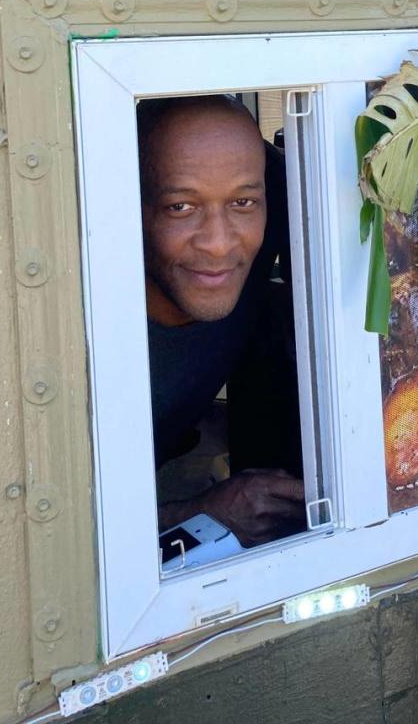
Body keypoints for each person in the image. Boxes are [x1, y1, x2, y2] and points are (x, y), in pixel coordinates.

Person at [138, 94, 305, 548]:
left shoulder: (278, 207)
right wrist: (200, 514)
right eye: (181, 207)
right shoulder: (85, 336)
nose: (217, 243)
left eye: (243, 203)